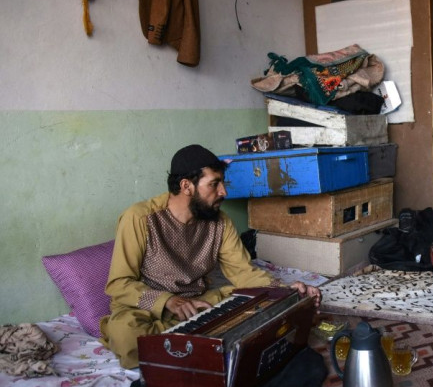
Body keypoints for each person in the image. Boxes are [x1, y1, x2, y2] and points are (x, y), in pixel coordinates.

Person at [99, 144, 321, 368]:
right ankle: (200, 335)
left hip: (197, 303)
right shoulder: (140, 218)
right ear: (187, 186)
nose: (224, 191)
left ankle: (185, 338)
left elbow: (243, 272)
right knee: (127, 335)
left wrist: (285, 290)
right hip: (144, 308)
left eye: (222, 183)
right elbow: (119, 284)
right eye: (215, 184)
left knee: (251, 304)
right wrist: (168, 301)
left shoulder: (219, 222)